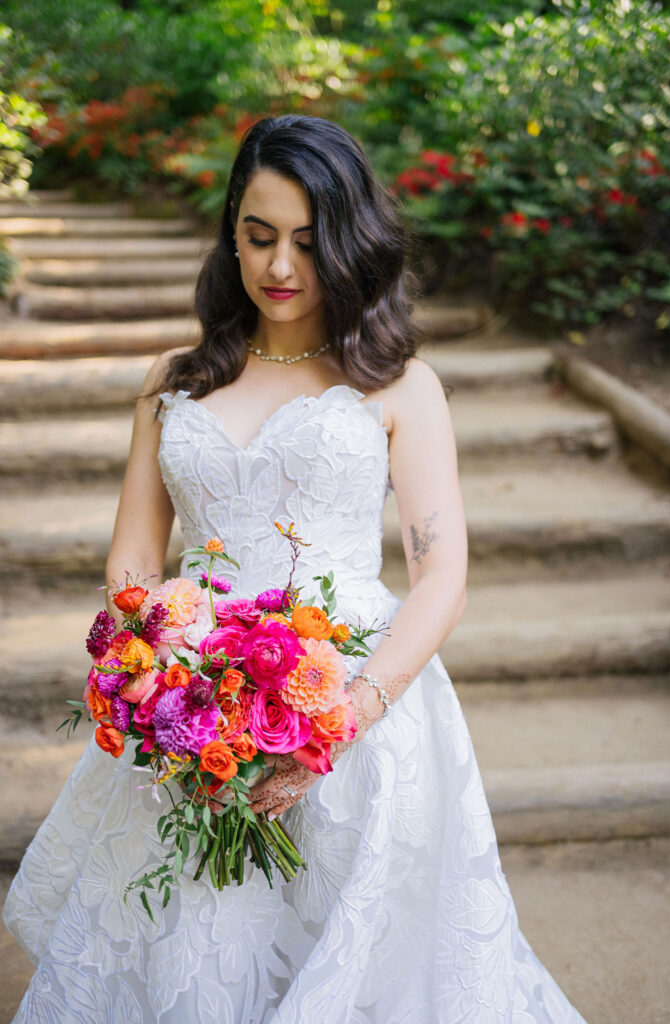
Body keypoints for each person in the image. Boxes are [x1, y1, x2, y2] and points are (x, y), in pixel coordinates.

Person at [3, 114, 587, 1023]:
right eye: (259, 236)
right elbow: (135, 555)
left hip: (355, 692)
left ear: (350, 242)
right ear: (231, 233)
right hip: (193, 703)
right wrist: (165, 672)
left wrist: (344, 719)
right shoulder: (173, 381)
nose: (280, 266)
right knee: (192, 938)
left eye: (309, 244)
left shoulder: (398, 385)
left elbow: (441, 574)